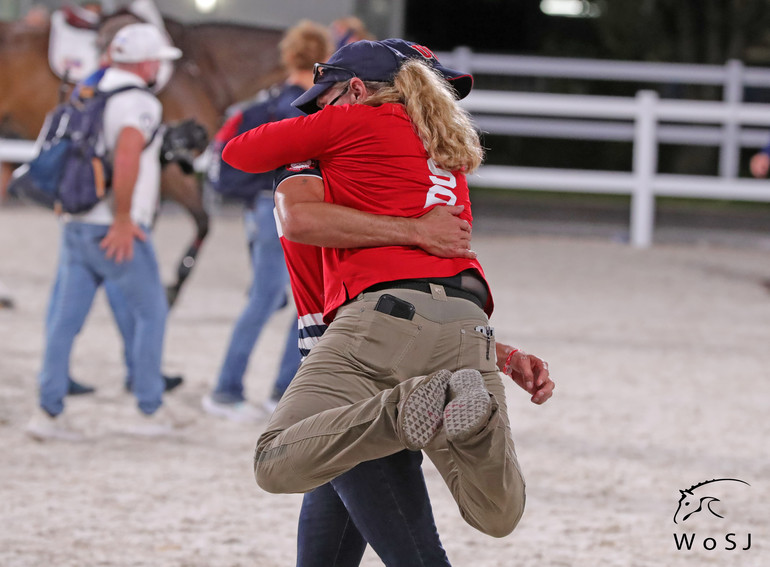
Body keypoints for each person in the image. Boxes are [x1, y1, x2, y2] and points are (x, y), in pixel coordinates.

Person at [225, 39, 554, 538]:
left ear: (356, 89)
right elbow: (434, 285)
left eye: (326, 97)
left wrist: (313, 131)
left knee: (274, 460)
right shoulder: (450, 152)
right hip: (469, 329)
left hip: (381, 323)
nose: (319, 107)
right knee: (497, 514)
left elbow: (239, 151)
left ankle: (407, 407)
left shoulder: (352, 121)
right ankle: (470, 415)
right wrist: (502, 356)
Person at [25, 23, 186, 441]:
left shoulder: (87, 91)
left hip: (77, 220)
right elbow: (128, 156)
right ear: (146, 62)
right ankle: (149, 408)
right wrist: (123, 218)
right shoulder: (137, 101)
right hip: (112, 226)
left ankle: (47, 410)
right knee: (151, 312)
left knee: (65, 320)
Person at [201, 20, 332, 422]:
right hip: (303, 207)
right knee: (308, 300)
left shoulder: (269, 99)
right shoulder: (319, 106)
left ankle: (230, 387)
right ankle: (276, 390)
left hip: (261, 206)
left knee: (264, 297)